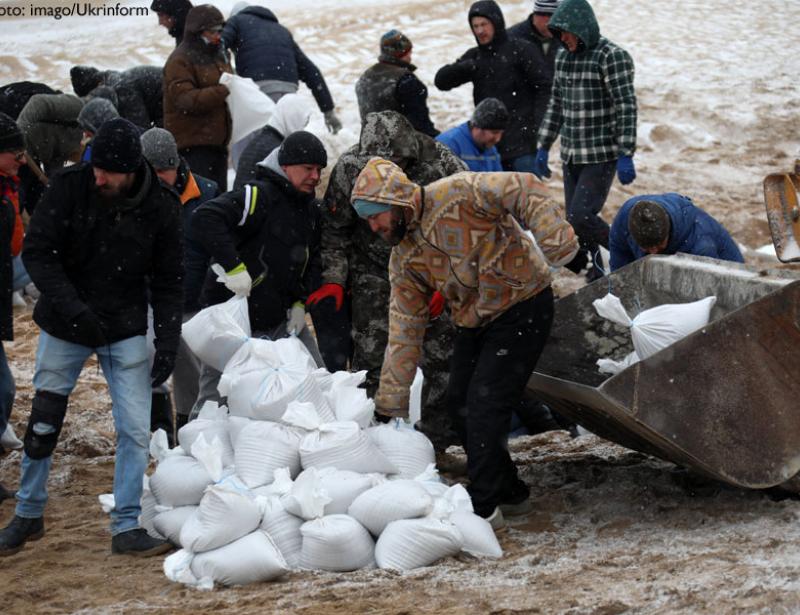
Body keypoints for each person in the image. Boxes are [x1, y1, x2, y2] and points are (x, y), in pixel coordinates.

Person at [350, 158, 579, 529]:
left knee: (486, 404)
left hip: (522, 302)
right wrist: (389, 404)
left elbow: (523, 185)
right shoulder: (404, 259)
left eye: (376, 215)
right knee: (459, 405)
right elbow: (404, 331)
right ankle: (510, 493)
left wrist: (557, 241)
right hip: (475, 321)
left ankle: (484, 506)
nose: (373, 226)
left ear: (398, 202)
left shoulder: (458, 192)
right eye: (368, 220)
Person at [0, 118, 183, 557]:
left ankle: (125, 526)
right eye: (95, 167)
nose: (99, 177)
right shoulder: (69, 186)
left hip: (124, 328)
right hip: (66, 323)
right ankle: (28, 513)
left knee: (135, 431)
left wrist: (169, 338)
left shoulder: (160, 205)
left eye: (108, 172)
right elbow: (39, 254)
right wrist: (73, 308)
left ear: (131, 169)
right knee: (44, 421)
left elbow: (169, 279)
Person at [316, 110, 466, 451]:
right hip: (375, 274)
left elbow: (466, 228)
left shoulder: (442, 165)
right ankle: (370, 444)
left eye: (393, 160)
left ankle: (435, 447)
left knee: (443, 361)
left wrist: (447, 281)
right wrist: (334, 280)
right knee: (374, 361)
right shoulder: (351, 167)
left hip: (431, 272)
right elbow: (334, 230)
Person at [190, 131, 327, 414]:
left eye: (319, 170)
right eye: (308, 169)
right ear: (286, 166)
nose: (315, 176)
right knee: (216, 398)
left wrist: (301, 302)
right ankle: (197, 451)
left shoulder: (311, 211)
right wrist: (234, 267)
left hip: (279, 318)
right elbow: (206, 218)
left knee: (316, 381)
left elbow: (310, 260)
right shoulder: (257, 195)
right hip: (232, 320)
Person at [533, 0, 637, 282]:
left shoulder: (611, 56)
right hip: (571, 154)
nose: (562, 38)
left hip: (601, 154)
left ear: (581, 27)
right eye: (558, 32)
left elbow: (625, 105)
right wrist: (543, 145)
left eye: (565, 32)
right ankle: (599, 271)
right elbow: (556, 104)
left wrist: (626, 152)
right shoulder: (564, 57)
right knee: (575, 223)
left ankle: (627, 253)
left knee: (581, 216)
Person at [141, 127, 218, 439]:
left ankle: (188, 430)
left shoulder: (207, 192)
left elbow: (218, 245)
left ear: (177, 165)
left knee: (192, 371)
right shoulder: (136, 195)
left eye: (165, 170)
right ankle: (158, 430)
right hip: (149, 297)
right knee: (148, 362)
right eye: (153, 171)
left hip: (192, 298)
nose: (161, 177)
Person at [434, 0, 550, 172]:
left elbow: (545, 87)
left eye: (484, 24)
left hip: (523, 144)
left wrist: (538, 128)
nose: (480, 30)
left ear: (496, 23)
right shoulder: (475, 56)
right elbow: (441, 82)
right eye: (475, 26)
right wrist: (464, 67)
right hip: (489, 147)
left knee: (526, 197)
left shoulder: (521, 49)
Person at [221, 4, 341, 135]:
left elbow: (219, 44)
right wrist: (328, 111)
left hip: (259, 89)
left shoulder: (237, 21)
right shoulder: (282, 31)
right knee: (286, 143)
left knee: (256, 142)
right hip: (288, 91)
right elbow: (311, 71)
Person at [163, 4, 232, 191]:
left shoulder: (219, 55)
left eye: (221, 30)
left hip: (216, 145)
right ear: (198, 32)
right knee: (200, 203)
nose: (218, 35)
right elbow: (185, 100)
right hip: (193, 147)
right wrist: (223, 90)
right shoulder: (179, 60)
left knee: (217, 202)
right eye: (213, 31)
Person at [609, 194, 744, 271]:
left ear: (669, 232)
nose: (653, 252)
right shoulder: (625, 218)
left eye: (659, 244)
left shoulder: (701, 245)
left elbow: (708, 293)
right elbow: (620, 255)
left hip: (727, 275)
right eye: (646, 247)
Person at [0, 113, 26, 505]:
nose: (22, 158)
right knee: (2, 389)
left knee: (3, 390)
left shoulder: (9, 186)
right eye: (15, 152)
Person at [355, 29, 438, 137]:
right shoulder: (406, 80)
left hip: (370, 146)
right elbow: (421, 127)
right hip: (402, 148)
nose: (410, 56)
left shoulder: (364, 78)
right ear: (403, 53)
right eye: (409, 52)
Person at [233, 93, 311, 190]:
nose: (302, 129)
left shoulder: (260, 141)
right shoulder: (276, 151)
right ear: (293, 118)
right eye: (302, 123)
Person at [508, 0, 560, 127]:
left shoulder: (565, 37)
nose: (554, 25)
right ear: (537, 15)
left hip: (556, 114)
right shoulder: (510, 38)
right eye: (549, 18)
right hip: (519, 116)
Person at [70, 65, 164, 130]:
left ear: (99, 85)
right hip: (168, 95)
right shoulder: (112, 79)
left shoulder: (121, 89)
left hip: (170, 96)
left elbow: (142, 128)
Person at [436, 98, 507, 172]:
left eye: (501, 133)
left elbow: (498, 176)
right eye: (494, 132)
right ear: (478, 127)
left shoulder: (490, 147)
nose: (498, 139)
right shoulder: (448, 144)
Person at [77, 97, 120, 162]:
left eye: (88, 131)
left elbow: (85, 165)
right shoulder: (91, 146)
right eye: (83, 128)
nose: (85, 135)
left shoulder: (92, 148)